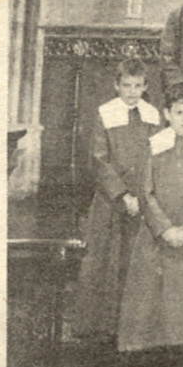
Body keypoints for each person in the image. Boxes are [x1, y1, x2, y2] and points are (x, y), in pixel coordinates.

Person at [118, 83, 183, 358]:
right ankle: (148, 344)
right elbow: (145, 191)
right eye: (179, 112)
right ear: (167, 114)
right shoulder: (155, 144)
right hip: (156, 233)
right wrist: (163, 227)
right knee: (151, 288)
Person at [72, 59, 161, 340]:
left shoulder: (153, 115)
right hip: (111, 201)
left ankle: (133, 327)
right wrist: (122, 194)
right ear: (116, 85)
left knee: (136, 261)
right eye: (126, 85)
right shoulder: (105, 113)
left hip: (143, 200)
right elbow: (98, 160)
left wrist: (142, 195)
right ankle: (99, 327)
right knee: (103, 260)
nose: (132, 92)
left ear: (145, 87)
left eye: (137, 86)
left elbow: (157, 157)